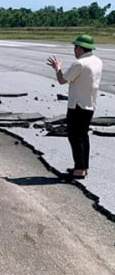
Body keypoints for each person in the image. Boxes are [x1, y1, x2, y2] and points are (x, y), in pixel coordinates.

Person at [46, 34, 103, 180]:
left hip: (77, 105)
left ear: (79, 48)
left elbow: (62, 80)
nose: (74, 50)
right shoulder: (97, 61)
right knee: (83, 136)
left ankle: (79, 170)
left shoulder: (80, 63)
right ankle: (83, 167)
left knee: (75, 137)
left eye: (75, 47)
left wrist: (57, 68)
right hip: (90, 104)